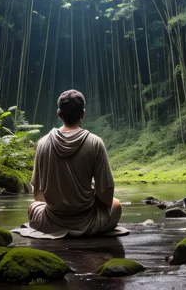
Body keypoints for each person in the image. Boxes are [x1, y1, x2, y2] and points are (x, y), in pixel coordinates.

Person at [27, 89, 122, 237]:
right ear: (83, 113)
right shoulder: (95, 142)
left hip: (52, 219)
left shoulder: (42, 143)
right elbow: (106, 195)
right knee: (116, 205)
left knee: (32, 207)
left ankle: (57, 228)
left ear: (59, 114)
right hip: (88, 220)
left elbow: (38, 196)